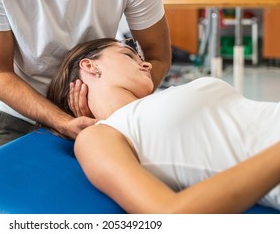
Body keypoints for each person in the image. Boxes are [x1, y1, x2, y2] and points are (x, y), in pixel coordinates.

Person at [46, 38, 280, 213]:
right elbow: (167, 215)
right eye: (129, 55)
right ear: (89, 66)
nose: (147, 65)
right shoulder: (100, 136)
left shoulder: (161, 99)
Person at [0, 0, 171, 152]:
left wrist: (108, 108)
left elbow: (158, 57)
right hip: (19, 113)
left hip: (102, 115)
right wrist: (63, 121)